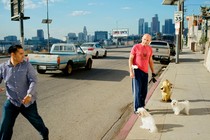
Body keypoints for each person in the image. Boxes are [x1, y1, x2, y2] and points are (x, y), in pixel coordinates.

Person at [0, 45, 49, 140]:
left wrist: (29, 94)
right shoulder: (3, 67)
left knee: (38, 123)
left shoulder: (27, 65)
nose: (24, 55)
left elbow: (33, 80)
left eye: (24, 53)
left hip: (27, 102)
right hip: (12, 102)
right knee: (5, 128)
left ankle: (45, 135)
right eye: (21, 53)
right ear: (13, 54)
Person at [128, 34, 156, 113]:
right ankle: (137, 109)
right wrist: (131, 72)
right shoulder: (136, 47)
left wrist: (153, 72)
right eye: (144, 39)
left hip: (145, 72)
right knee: (138, 91)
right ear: (142, 39)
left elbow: (150, 61)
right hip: (137, 71)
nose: (145, 41)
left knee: (144, 91)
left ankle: (142, 107)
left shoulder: (150, 49)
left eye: (147, 40)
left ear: (150, 41)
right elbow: (130, 59)